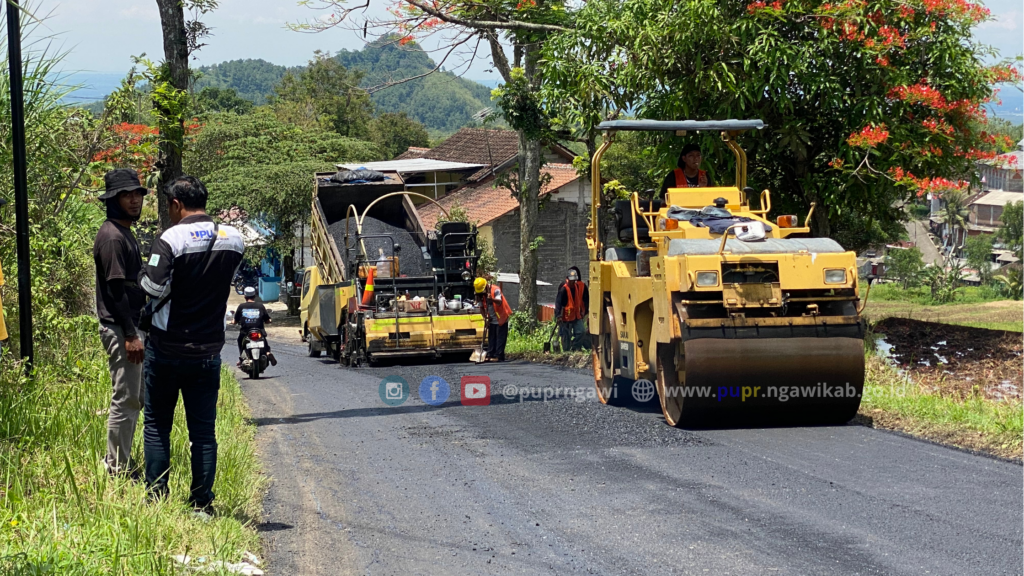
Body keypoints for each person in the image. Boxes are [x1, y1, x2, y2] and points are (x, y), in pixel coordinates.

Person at [140, 176, 244, 511]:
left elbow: (153, 289)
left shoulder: (171, 238)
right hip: (208, 348)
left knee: (157, 425)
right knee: (203, 432)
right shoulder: (234, 238)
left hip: (167, 347)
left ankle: (157, 498)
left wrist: (141, 274)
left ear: (175, 204)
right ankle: (202, 503)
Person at [94, 169, 148, 477]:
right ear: (112, 200)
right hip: (120, 328)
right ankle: (116, 469)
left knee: (133, 399)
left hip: (129, 327)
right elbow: (115, 291)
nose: (134, 200)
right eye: (126, 195)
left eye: (137, 194)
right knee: (125, 399)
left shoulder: (123, 232)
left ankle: (121, 463)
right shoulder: (113, 237)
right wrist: (130, 334)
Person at [233, 286, 276, 366]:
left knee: (240, 340)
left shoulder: (241, 306)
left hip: (245, 332)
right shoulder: (260, 306)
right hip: (259, 331)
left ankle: (242, 358)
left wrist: (232, 322)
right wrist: (269, 321)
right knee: (263, 340)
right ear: (255, 295)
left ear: (245, 296)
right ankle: (267, 352)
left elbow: (235, 321)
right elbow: (267, 320)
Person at [474, 276, 511, 362]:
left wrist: (492, 299)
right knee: (491, 338)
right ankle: (491, 354)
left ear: (486, 286)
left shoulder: (495, 289)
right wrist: (485, 319)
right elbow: (481, 307)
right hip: (492, 319)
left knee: (500, 337)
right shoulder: (480, 294)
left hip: (501, 316)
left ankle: (499, 355)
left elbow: (499, 301)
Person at [554, 266, 589, 351]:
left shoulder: (577, 287)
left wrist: (584, 312)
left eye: (574, 280)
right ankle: (567, 351)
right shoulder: (563, 289)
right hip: (566, 317)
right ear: (567, 279)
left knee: (581, 332)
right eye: (571, 280)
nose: (573, 282)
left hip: (576, 316)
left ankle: (575, 347)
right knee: (566, 336)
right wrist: (558, 315)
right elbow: (558, 303)